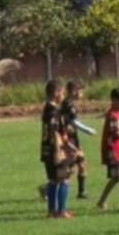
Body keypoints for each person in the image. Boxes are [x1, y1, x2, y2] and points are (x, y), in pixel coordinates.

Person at [41, 79, 74, 218]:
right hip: (55, 149)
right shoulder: (53, 110)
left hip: (47, 149)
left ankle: (51, 211)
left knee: (53, 180)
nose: (64, 95)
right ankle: (62, 211)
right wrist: (59, 151)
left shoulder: (47, 108)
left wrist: (69, 145)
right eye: (62, 92)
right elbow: (54, 131)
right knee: (64, 179)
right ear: (56, 93)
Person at [61, 81, 96, 199]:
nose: (82, 95)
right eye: (81, 92)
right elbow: (74, 122)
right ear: (74, 91)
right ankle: (49, 188)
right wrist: (88, 130)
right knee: (70, 169)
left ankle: (82, 192)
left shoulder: (69, 103)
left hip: (73, 138)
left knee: (82, 164)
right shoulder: (68, 105)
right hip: (68, 139)